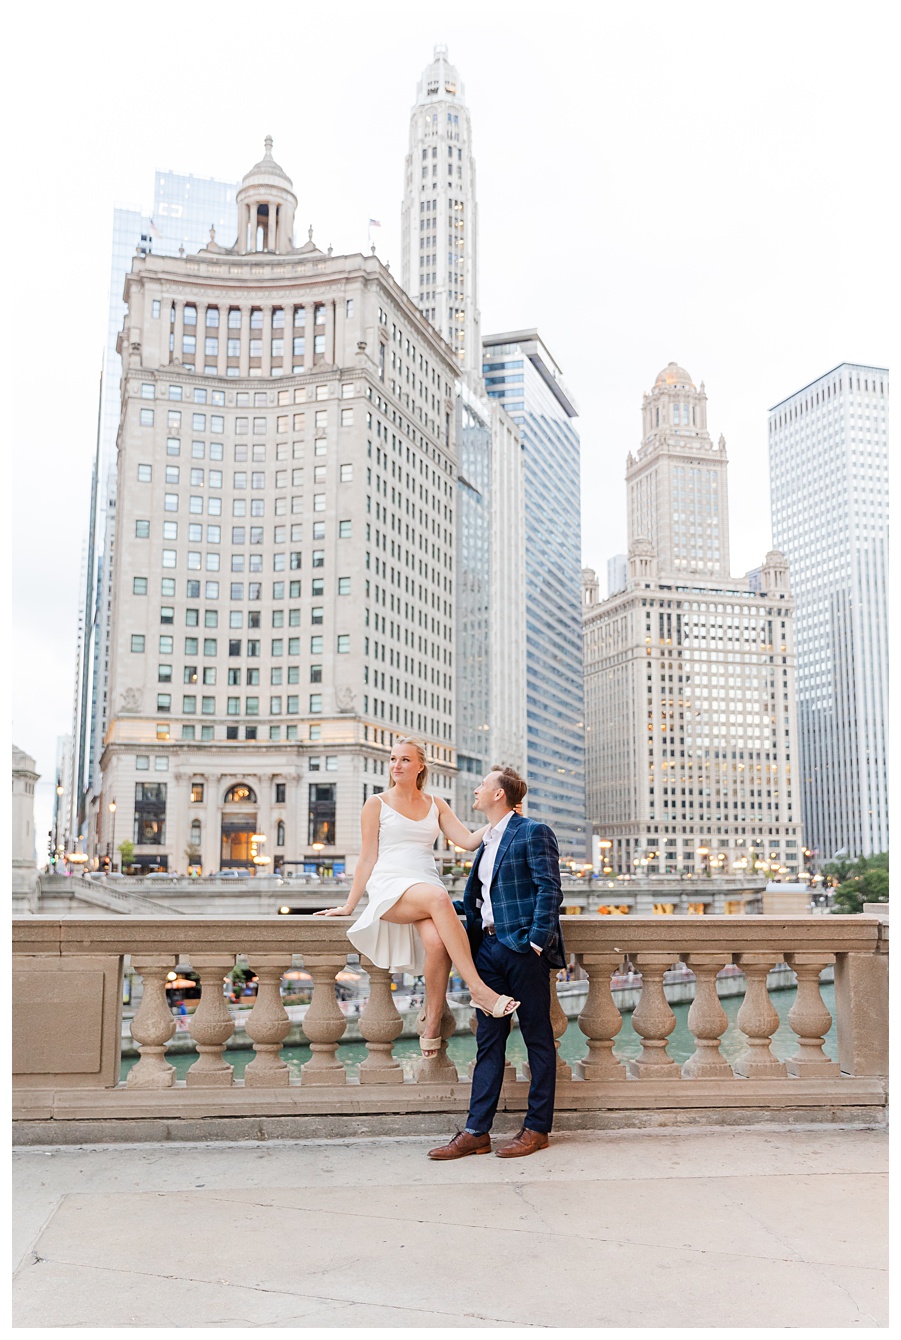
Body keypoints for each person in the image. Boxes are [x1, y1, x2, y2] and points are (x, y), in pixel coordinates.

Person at [315, 738, 519, 1056]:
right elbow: (367, 857)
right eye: (393, 759)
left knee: (437, 944)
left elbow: (466, 841)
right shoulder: (376, 803)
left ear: (420, 765)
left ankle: (432, 1024)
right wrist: (349, 905)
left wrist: (503, 819)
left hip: (424, 884)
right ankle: (478, 990)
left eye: (405, 760)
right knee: (439, 899)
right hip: (391, 886)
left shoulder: (436, 804)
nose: (397, 765)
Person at [428, 765, 564, 1161]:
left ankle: (537, 1129)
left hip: (522, 951)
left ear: (500, 794)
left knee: (538, 1039)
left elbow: (549, 889)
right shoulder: (487, 839)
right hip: (485, 951)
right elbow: (482, 900)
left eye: (483, 785)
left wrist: (536, 944)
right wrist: (429, 910)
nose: (476, 789)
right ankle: (476, 1132)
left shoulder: (533, 831)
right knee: (488, 1043)